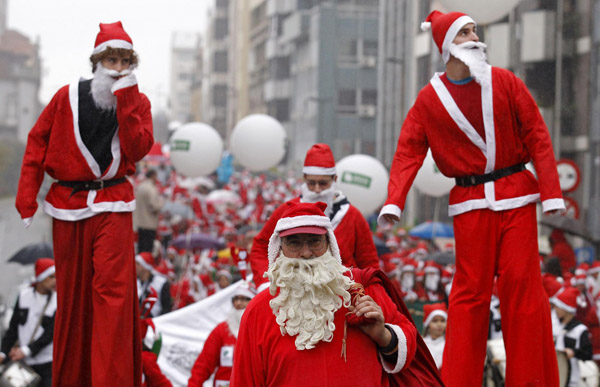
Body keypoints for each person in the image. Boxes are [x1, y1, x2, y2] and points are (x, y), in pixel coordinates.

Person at [378, 10, 565, 385]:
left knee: (522, 290)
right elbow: (409, 150)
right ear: (448, 46)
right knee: (470, 297)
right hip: (470, 202)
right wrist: (394, 201)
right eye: (465, 32)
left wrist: (552, 193)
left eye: (475, 30)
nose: (475, 36)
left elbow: (537, 135)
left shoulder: (506, 82)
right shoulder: (430, 100)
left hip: (516, 196)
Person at [15, 21, 153, 385]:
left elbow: (139, 149)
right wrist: (26, 197)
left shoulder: (138, 102)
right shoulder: (65, 96)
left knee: (113, 293)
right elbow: (37, 142)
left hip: (113, 202)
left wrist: (127, 102)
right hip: (68, 201)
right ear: (97, 60)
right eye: (112, 58)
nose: (119, 67)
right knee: (73, 295)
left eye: (126, 61)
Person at [231, 201, 443, 386]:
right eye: (294, 242)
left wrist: (384, 336)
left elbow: (409, 345)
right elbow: (244, 380)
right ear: (280, 247)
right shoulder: (260, 309)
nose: (305, 253)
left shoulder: (361, 291)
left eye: (314, 242)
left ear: (329, 244)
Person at [249, 143, 379, 290]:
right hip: (293, 294)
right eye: (311, 183)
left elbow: (369, 262)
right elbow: (260, 246)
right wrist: (266, 283)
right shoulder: (287, 211)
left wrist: (368, 293)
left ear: (334, 179)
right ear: (304, 178)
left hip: (341, 295)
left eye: (323, 183)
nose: (317, 189)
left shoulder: (352, 215)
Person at [0, 258, 57, 387]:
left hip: (47, 362)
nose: (55, 281)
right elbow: (13, 328)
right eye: (51, 277)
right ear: (41, 277)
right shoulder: (24, 296)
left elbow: (50, 333)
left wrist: (26, 350)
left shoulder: (56, 300)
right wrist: (3, 352)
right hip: (24, 363)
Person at [188, 281, 256, 387]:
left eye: (244, 299)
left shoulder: (259, 331)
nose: (238, 303)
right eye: (236, 299)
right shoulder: (221, 330)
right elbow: (204, 364)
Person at [551, 287, 593, 386]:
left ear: (566, 309)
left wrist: (574, 352)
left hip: (572, 380)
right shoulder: (554, 326)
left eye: (558, 307)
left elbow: (588, 353)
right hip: (554, 376)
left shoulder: (580, 330)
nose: (555, 309)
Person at [135, 169, 165, 253]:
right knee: (147, 249)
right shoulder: (151, 188)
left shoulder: (141, 186)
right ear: (153, 176)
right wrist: (161, 203)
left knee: (141, 247)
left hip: (140, 222)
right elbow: (154, 206)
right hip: (149, 223)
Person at [136, 252, 172, 317]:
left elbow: (166, 308)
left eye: (138, 264)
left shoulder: (161, 283)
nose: (135, 266)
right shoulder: (135, 282)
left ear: (145, 266)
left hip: (155, 321)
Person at [421, 303, 447, 370]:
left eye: (442, 321)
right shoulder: (422, 344)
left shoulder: (449, 345)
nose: (439, 324)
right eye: (435, 321)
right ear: (428, 324)